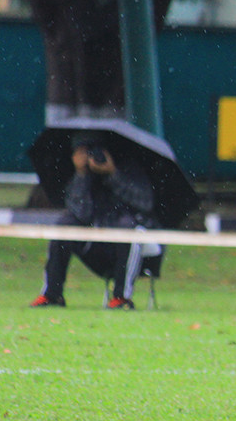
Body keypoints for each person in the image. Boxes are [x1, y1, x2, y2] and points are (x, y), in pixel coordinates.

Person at [30, 132, 157, 310]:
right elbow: (79, 212)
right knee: (64, 224)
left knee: (127, 227)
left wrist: (113, 174)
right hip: (93, 244)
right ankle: (52, 294)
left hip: (125, 246)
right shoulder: (76, 174)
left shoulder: (130, 167)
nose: (93, 156)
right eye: (85, 151)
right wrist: (82, 174)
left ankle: (121, 297)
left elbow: (145, 203)